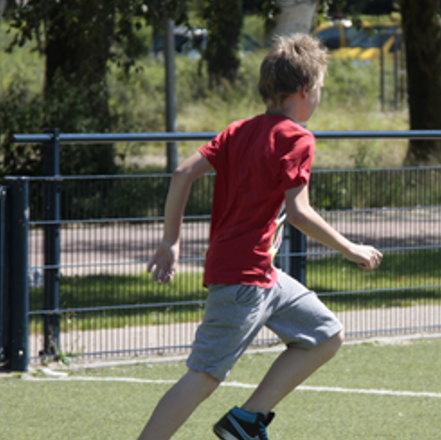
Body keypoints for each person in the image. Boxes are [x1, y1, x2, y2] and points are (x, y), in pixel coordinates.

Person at [138, 33, 383, 440]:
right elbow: (299, 213)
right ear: (305, 91)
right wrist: (351, 248)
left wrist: (170, 239)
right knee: (203, 377)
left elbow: (182, 174)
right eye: (320, 88)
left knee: (325, 334)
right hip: (243, 281)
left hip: (261, 275)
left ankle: (246, 420)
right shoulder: (298, 138)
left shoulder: (239, 130)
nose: (320, 96)